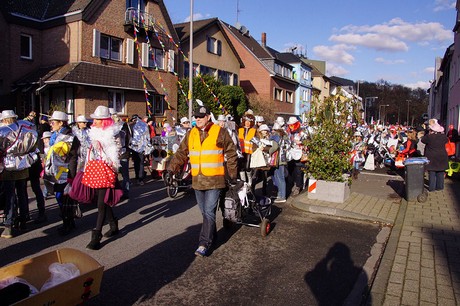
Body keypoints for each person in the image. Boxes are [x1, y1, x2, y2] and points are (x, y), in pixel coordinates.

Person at [167, 105, 238, 257]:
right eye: (196, 117)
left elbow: (232, 153)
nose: (197, 119)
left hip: (215, 180)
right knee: (205, 213)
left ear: (207, 117)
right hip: (198, 180)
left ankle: (203, 243)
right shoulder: (191, 133)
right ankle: (213, 236)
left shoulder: (220, 131)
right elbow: (181, 153)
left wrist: (232, 174)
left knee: (209, 211)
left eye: (201, 116)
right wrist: (171, 169)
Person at [69, 106, 121, 250]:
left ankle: (96, 236)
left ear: (104, 121)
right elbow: (86, 152)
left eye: (97, 119)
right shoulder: (92, 133)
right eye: (95, 119)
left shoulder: (113, 134)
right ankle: (113, 224)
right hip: (94, 171)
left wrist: (111, 165)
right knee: (102, 201)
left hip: (107, 171)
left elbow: (116, 153)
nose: (94, 121)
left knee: (100, 204)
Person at [0, 110, 38, 238]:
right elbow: (33, 147)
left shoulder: (4, 131)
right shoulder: (26, 128)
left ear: (5, 119)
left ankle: (9, 225)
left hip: (9, 166)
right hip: (23, 164)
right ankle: (23, 219)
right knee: (22, 193)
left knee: (10, 196)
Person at [44, 110, 75, 235]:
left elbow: (73, 156)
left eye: (53, 122)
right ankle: (68, 221)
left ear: (61, 123)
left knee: (64, 197)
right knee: (59, 196)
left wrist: (72, 175)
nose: (51, 124)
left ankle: (68, 222)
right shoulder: (55, 136)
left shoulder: (69, 137)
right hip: (56, 170)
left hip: (65, 170)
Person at [421, 119, 449, 192]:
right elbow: (447, 140)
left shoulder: (429, 137)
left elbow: (423, 140)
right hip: (442, 156)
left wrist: (427, 133)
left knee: (432, 172)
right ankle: (440, 186)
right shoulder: (443, 137)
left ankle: (432, 187)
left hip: (432, 156)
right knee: (440, 171)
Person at [129, 115, 150, 185]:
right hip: (141, 146)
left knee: (136, 162)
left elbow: (129, 137)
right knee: (141, 163)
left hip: (134, 147)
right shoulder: (144, 125)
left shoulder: (131, 126)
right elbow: (147, 136)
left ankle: (137, 177)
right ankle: (140, 179)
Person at [271, 122, 289, 203]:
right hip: (283, 158)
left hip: (278, 159)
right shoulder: (284, 136)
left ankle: (282, 196)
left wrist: (269, 152)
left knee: (280, 178)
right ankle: (280, 194)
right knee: (280, 177)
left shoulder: (276, 136)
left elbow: (274, 147)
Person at [238, 113, 257, 186]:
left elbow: (256, 141)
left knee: (247, 167)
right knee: (241, 167)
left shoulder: (254, 131)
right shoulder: (240, 130)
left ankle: (249, 179)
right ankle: (243, 181)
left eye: (249, 121)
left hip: (249, 151)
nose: (247, 123)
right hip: (241, 151)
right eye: (246, 121)